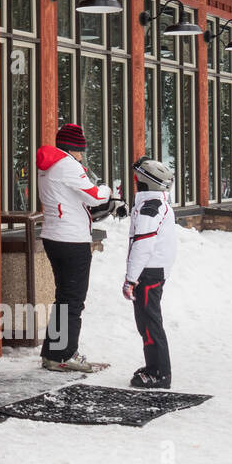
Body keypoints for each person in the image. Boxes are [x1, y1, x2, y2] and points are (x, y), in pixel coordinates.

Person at [36, 123, 112, 372]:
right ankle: (65, 355)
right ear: (74, 148)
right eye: (81, 150)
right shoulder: (67, 165)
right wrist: (108, 190)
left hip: (54, 236)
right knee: (74, 300)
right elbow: (95, 196)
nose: (82, 155)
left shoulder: (49, 165)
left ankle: (52, 353)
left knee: (64, 298)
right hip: (71, 240)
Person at [122, 156, 178, 389]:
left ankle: (160, 373)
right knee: (146, 321)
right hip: (153, 270)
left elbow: (143, 245)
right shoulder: (155, 204)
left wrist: (130, 279)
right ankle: (153, 366)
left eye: (137, 180)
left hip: (149, 272)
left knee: (150, 322)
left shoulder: (149, 209)